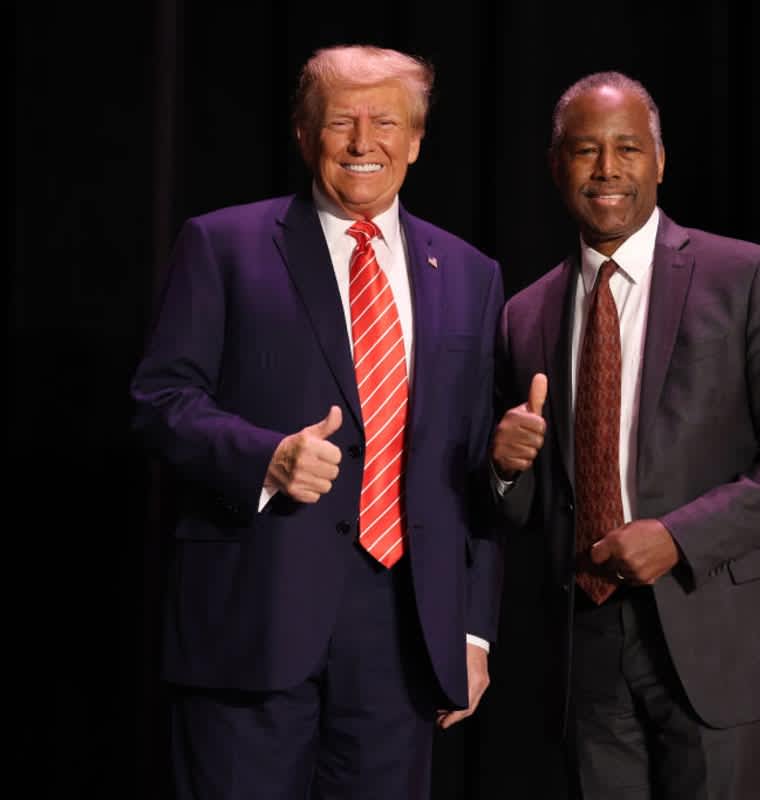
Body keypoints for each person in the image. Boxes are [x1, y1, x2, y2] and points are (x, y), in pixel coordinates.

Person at [131, 45, 504, 799]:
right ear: (305, 136)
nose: (365, 143)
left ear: (419, 139)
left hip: (402, 635)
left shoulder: (470, 272)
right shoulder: (225, 245)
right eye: (342, 122)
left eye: (387, 123)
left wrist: (470, 630)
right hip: (254, 617)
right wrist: (263, 458)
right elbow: (160, 401)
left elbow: (472, 473)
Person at [490, 71, 760, 799]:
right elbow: (525, 511)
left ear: (659, 161)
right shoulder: (526, 314)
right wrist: (505, 470)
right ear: (558, 167)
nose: (608, 169)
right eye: (586, 151)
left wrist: (678, 538)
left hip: (718, 633)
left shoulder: (742, 276)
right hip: (585, 652)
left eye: (628, 149)